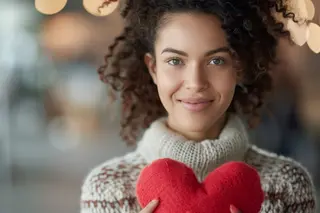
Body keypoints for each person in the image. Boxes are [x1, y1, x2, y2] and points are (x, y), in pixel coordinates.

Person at [80, 0, 317, 212]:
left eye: (216, 61)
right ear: (153, 68)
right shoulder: (107, 189)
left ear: (239, 67)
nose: (195, 83)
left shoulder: (288, 185)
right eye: (175, 61)